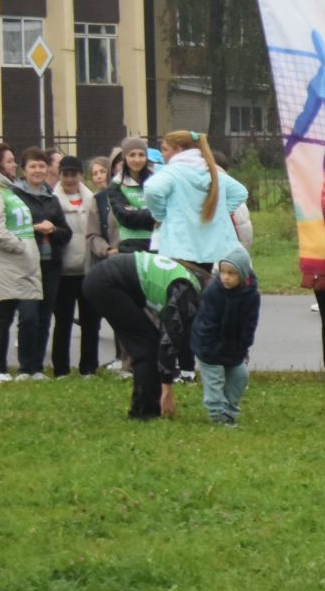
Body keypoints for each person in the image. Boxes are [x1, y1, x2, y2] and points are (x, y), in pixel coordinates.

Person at [82, 251, 202, 419]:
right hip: (106, 282)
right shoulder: (187, 294)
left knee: (149, 342)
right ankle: (144, 412)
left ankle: (148, 406)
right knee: (146, 346)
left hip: (105, 277)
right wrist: (167, 389)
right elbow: (169, 340)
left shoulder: (191, 284)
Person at [0, 151, 44, 381]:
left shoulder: (5, 189)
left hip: (18, 265)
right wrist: (20, 246)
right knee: (1, 317)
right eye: (10, 161)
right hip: (2, 263)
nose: (15, 165)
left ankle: (29, 369)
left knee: (27, 316)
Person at [144, 131, 250, 272]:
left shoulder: (172, 172)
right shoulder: (210, 172)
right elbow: (240, 192)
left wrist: (160, 214)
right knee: (202, 286)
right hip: (208, 247)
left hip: (178, 246)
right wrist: (219, 213)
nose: (162, 154)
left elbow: (152, 189)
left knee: (181, 288)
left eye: (165, 149)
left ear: (179, 150)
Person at [190, 246, 260, 426]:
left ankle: (228, 411)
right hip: (209, 346)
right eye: (223, 272)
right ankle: (217, 415)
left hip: (233, 347)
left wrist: (242, 347)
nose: (226, 277)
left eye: (232, 273)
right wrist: (212, 351)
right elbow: (208, 325)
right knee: (215, 379)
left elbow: (249, 324)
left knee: (240, 375)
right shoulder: (214, 291)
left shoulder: (251, 295)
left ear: (244, 274)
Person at [12, 149, 69, 364]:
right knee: (28, 316)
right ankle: (26, 366)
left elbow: (66, 233)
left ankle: (36, 366)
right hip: (25, 263)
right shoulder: (15, 195)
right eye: (33, 166)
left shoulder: (52, 198)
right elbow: (10, 228)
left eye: (42, 166)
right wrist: (35, 227)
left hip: (50, 265)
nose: (38, 170)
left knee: (45, 317)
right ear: (24, 170)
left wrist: (53, 230)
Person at [49, 157, 101, 378]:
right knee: (63, 322)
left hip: (88, 269)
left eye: (74, 174)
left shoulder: (92, 200)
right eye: (66, 174)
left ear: (81, 175)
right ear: (59, 175)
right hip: (63, 271)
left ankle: (88, 367)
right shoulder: (51, 200)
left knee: (91, 322)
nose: (70, 179)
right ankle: (61, 368)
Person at [108, 137, 157, 254]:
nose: (137, 159)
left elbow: (164, 212)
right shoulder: (116, 184)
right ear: (125, 158)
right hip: (129, 246)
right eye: (132, 155)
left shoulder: (155, 181)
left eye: (141, 155)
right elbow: (125, 217)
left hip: (155, 244)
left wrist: (136, 211)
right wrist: (152, 214)